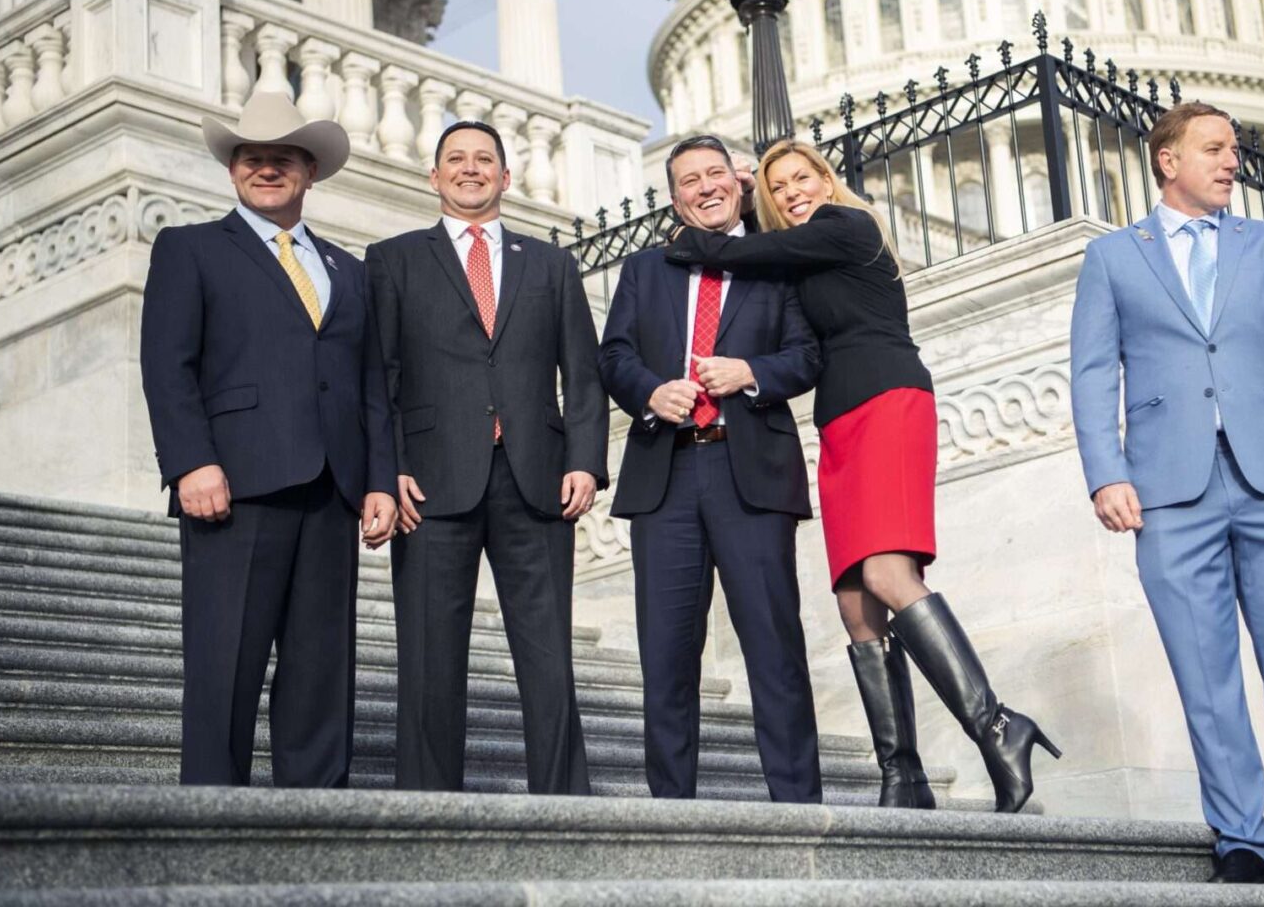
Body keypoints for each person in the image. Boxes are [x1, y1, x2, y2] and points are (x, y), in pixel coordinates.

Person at [663, 139, 1057, 814]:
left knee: (888, 574)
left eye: (801, 178)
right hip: (841, 422)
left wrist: (700, 225)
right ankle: (903, 775)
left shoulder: (848, 227)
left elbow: (736, 251)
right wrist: (752, 203)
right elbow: (770, 257)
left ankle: (998, 726)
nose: (791, 193)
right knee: (854, 602)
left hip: (888, 402)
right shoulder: (803, 251)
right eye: (778, 188)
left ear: (826, 178)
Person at [1069, 102, 1264, 884]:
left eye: (1233, 150)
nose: (1232, 161)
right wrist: (1107, 470)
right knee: (1205, 673)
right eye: (1215, 149)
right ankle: (1239, 834)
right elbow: (1095, 372)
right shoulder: (1113, 258)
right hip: (1169, 490)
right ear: (1167, 160)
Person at [140, 92, 397, 787]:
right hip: (235, 485)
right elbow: (168, 366)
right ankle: (212, 818)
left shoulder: (351, 270)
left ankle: (312, 819)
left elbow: (371, 384)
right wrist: (191, 462)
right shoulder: (189, 248)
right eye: (252, 158)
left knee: (321, 669)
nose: (266, 168)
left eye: (283, 157)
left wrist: (379, 478)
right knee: (225, 661)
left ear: (309, 171)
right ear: (233, 171)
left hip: (332, 492)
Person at [365, 120, 608, 794]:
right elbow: (377, 378)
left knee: (548, 655)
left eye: (483, 160)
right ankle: (428, 804)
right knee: (429, 656)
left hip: (538, 481)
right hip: (431, 487)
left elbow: (582, 374)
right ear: (434, 176)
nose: (469, 169)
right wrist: (387, 470)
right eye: (455, 160)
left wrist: (586, 460)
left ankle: (566, 803)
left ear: (506, 177)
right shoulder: (393, 260)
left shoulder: (551, 265)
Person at [599, 135, 824, 803]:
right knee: (666, 657)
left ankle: (799, 809)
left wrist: (753, 371)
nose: (704, 187)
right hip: (664, 476)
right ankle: (673, 811)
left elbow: (808, 355)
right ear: (674, 197)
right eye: (689, 179)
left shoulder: (776, 265)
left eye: (715, 174)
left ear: (739, 182)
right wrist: (648, 391)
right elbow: (613, 355)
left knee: (773, 646)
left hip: (748, 469)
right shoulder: (644, 270)